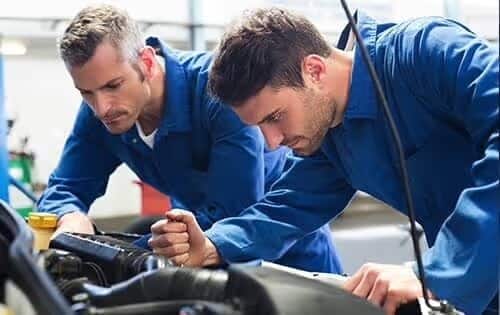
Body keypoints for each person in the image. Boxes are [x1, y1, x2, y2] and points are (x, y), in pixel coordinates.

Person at [154, 7, 499, 315]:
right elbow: (287, 207)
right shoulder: (332, 135)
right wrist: (213, 245)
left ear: (314, 70)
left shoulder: (424, 49)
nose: (272, 143)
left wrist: (437, 274)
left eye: (275, 117)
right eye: (259, 127)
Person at [36, 4, 344, 274]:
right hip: (196, 255)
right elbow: (65, 186)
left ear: (146, 61)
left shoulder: (218, 94)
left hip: (289, 251)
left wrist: (111, 255)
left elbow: (233, 213)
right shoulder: (103, 112)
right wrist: (69, 219)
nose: (101, 107)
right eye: (87, 93)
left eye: (113, 85)